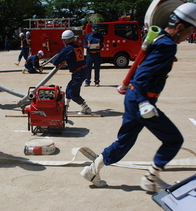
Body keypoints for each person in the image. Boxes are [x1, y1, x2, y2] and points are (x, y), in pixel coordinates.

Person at [80, 3, 196, 193]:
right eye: (190, 32)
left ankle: (92, 170)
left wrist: (129, 88)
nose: (188, 37)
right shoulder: (167, 45)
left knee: (125, 141)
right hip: (142, 100)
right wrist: (143, 102)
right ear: (181, 27)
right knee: (173, 140)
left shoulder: (159, 38)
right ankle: (150, 178)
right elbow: (143, 74)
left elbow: (140, 67)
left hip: (135, 97)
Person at [52, 30, 92, 115]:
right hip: (82, 71)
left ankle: (86, 109)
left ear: (66, 40)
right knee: (69, 88)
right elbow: (73, 58)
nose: (63, 42)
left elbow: (56, 61)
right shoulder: (77, 46)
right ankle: (65, 107)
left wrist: (58, 63)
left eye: (63, 40)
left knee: (73, 93)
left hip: (79, 73)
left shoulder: (67, 49)